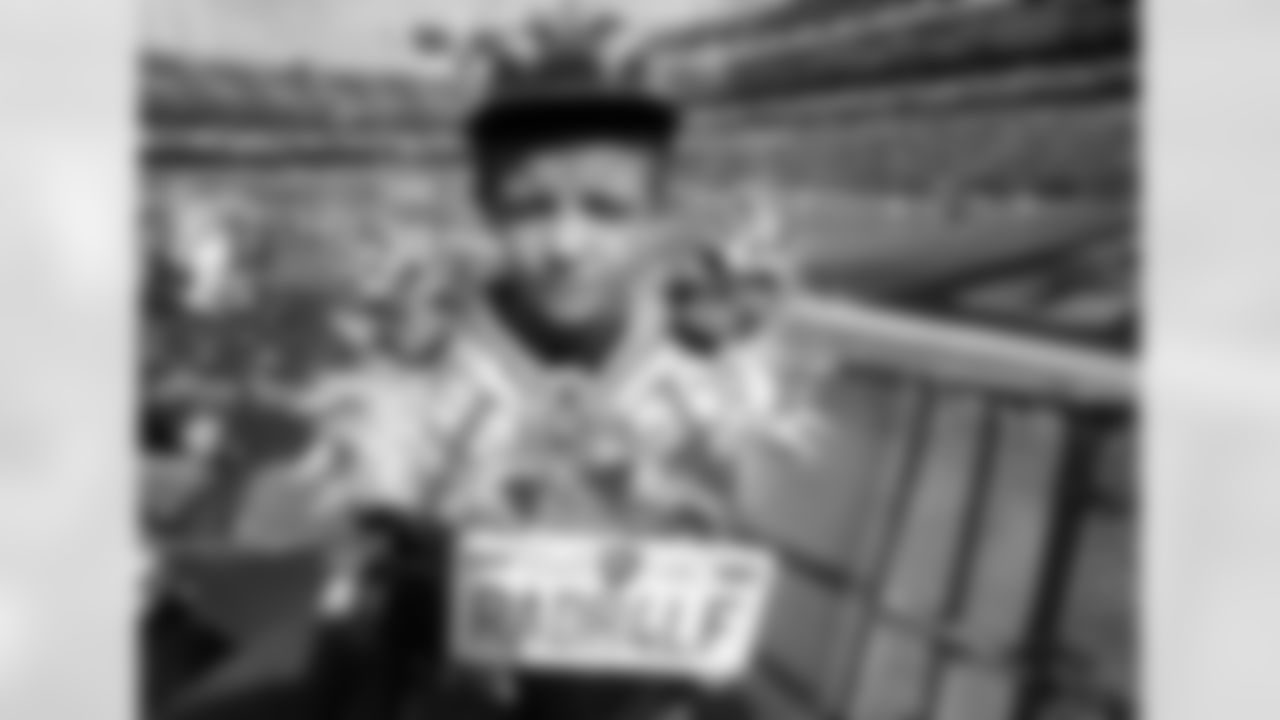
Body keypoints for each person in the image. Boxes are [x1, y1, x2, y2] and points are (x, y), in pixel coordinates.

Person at [157, 13, 825, 719]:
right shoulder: (416, 368)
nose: (566, 245)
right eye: (531, 208)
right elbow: (358, 553)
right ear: (485, 205)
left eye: (606, 210)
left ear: (659, 212)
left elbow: (722, 565)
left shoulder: (710, 382)